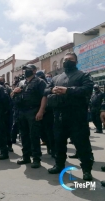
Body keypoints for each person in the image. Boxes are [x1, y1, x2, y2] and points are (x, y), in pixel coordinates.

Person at [46, 52, 94, 181]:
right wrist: (52, 90)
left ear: (76, 62)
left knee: (82, 145)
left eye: (70, 59)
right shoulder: (57, 78)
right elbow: (46, 90)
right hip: (59, 116)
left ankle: (87, 171)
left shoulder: (83, 75)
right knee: (59, 144)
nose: (67, 61)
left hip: (77, 116)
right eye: (65, 59)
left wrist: (68, 90)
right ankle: (59, 165)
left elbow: (87, 89)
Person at [12, 64, 47, 168]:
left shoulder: (40, 82)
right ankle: (26, 156)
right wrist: (14, 91)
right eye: (24, 70)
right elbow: (12, 96)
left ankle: (36, 158)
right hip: (22, 112)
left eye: (28, 69)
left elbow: (44, 97)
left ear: (34, 70)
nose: (25, 71)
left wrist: (41, 111)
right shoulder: (21, 83)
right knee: (24, 135)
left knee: (34, 135)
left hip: (34, 111)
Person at [36, 70, 55, 157]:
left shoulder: (43, 83)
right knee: (42, 130)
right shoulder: (37, 83)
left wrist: (42, 110)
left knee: (48, 130)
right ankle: (48, 146)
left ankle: (51, 148)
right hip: (40, 109)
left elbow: (45, 96)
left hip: (47, 110)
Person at [0, 76, 14, 152]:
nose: (0, 82)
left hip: (8, 112)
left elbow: (11, 98)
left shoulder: (8, 88)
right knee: (0, 130)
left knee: (8, 130)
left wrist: (7, 109)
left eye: (1, 80)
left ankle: (9, 145)